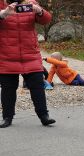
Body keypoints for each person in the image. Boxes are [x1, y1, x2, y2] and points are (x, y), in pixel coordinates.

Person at [0, 0, 55, 128]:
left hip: (31, 55)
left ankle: (44, 116)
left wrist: (40, 11)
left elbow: (46, 20)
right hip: (6, 55)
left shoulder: (30, 2)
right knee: (8, 89)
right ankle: (7, 117)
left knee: (37, 86)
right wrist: (4, 13)